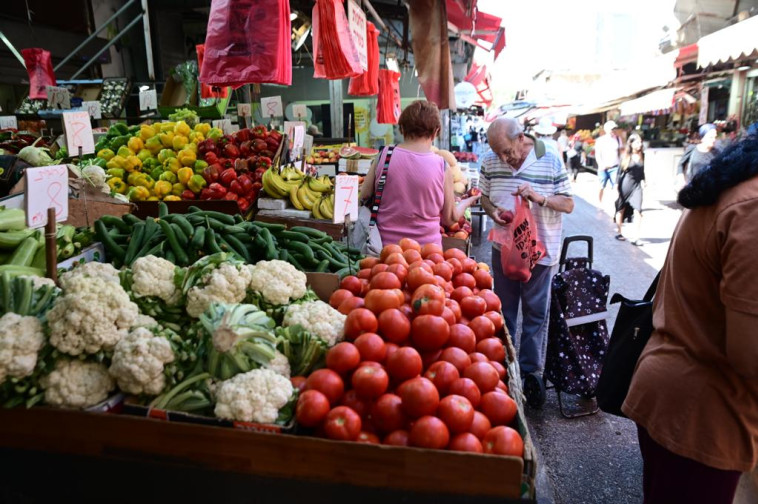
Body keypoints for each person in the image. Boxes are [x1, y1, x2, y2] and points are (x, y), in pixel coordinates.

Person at [623, 125, 758, 504]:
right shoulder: (752, 207)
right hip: (702, 416)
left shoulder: (736, 187)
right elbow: (751, 353)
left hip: (676, 398)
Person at [480, 117, 574, 407]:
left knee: (535, 313)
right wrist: (493, 211)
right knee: (504, 310)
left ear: (521, 138)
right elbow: (483, 197)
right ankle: (505, 370)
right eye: (498, 153)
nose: (504, 159)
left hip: (540, 254)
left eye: (508, 151)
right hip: (503, 250)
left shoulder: (552, 159)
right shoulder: (490, 161)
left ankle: (531, 374)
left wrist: (540, 198)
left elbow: (568, 203)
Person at [359, 100, 479, 247]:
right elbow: (450, 219)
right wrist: (467, 202)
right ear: (435, 132)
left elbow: (364, 196)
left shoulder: (384, 155)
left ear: (402, 128)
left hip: (384, 251)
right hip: (427, 254)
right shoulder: (442, 166)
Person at [613, 134, 646, 245]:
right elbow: (619, 172)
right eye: (637, 142)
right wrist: (616, 186)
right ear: (631, 144)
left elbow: (643, 170)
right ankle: (619, 232)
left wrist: (644, 181)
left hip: (637, 186)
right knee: (621, 208)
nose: (639, 144)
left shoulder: (643, 155)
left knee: (638, 211)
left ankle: (636, 237)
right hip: (626, 184)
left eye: (640, 142)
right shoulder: (626, 156)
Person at [594, 120, 623, 202]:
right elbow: (598, 154)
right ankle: (599, 202)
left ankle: (617, 204)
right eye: (612, 129)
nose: (613, 131)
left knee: (616, 186)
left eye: (614, 129)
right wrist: (601, 165)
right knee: (601, 186)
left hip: (614, 167)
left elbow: (620, 152)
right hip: (603, 167)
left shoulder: (618, 139)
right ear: (606, 130)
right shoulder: (600, 140)